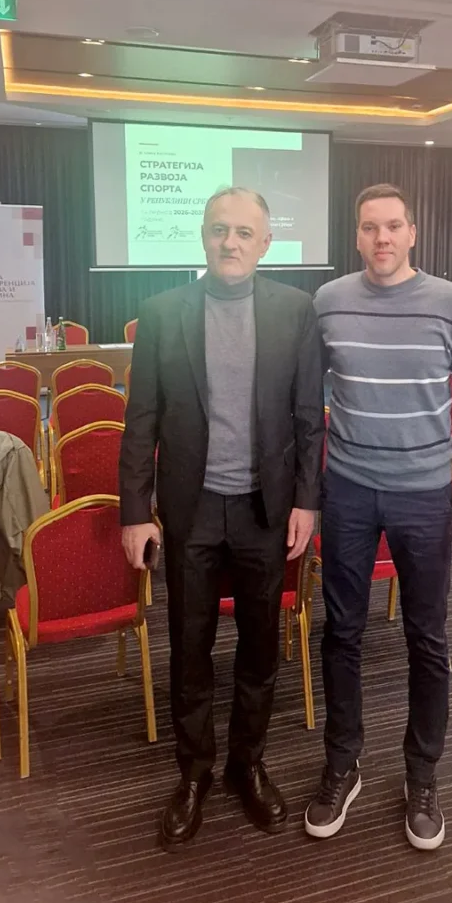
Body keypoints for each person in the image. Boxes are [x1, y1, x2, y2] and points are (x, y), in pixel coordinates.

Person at [119, 187, 324, 849]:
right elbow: (141, 419)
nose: (229, 242)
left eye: (242, 232)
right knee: (190, 648)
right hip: (192, 511)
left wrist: (306, 500)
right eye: (218, 230)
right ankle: (194, 773)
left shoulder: (295, 311)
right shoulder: (162, 312)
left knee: (260, 649)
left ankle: (247, 764)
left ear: (265, 244)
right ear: (203, 237)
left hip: (267, 512)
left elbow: (307, 417)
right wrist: (135, 512)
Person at [304, 183, 452, 851]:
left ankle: (422, 775)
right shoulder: (328, 302)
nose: (381, 238)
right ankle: (342, 763)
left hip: (423, 496)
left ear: (412, 233)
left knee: (427, 638)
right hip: (348, 491)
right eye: (369, 227)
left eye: (392, 226)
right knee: (341, 633)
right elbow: (305, 403)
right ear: (356, 235)